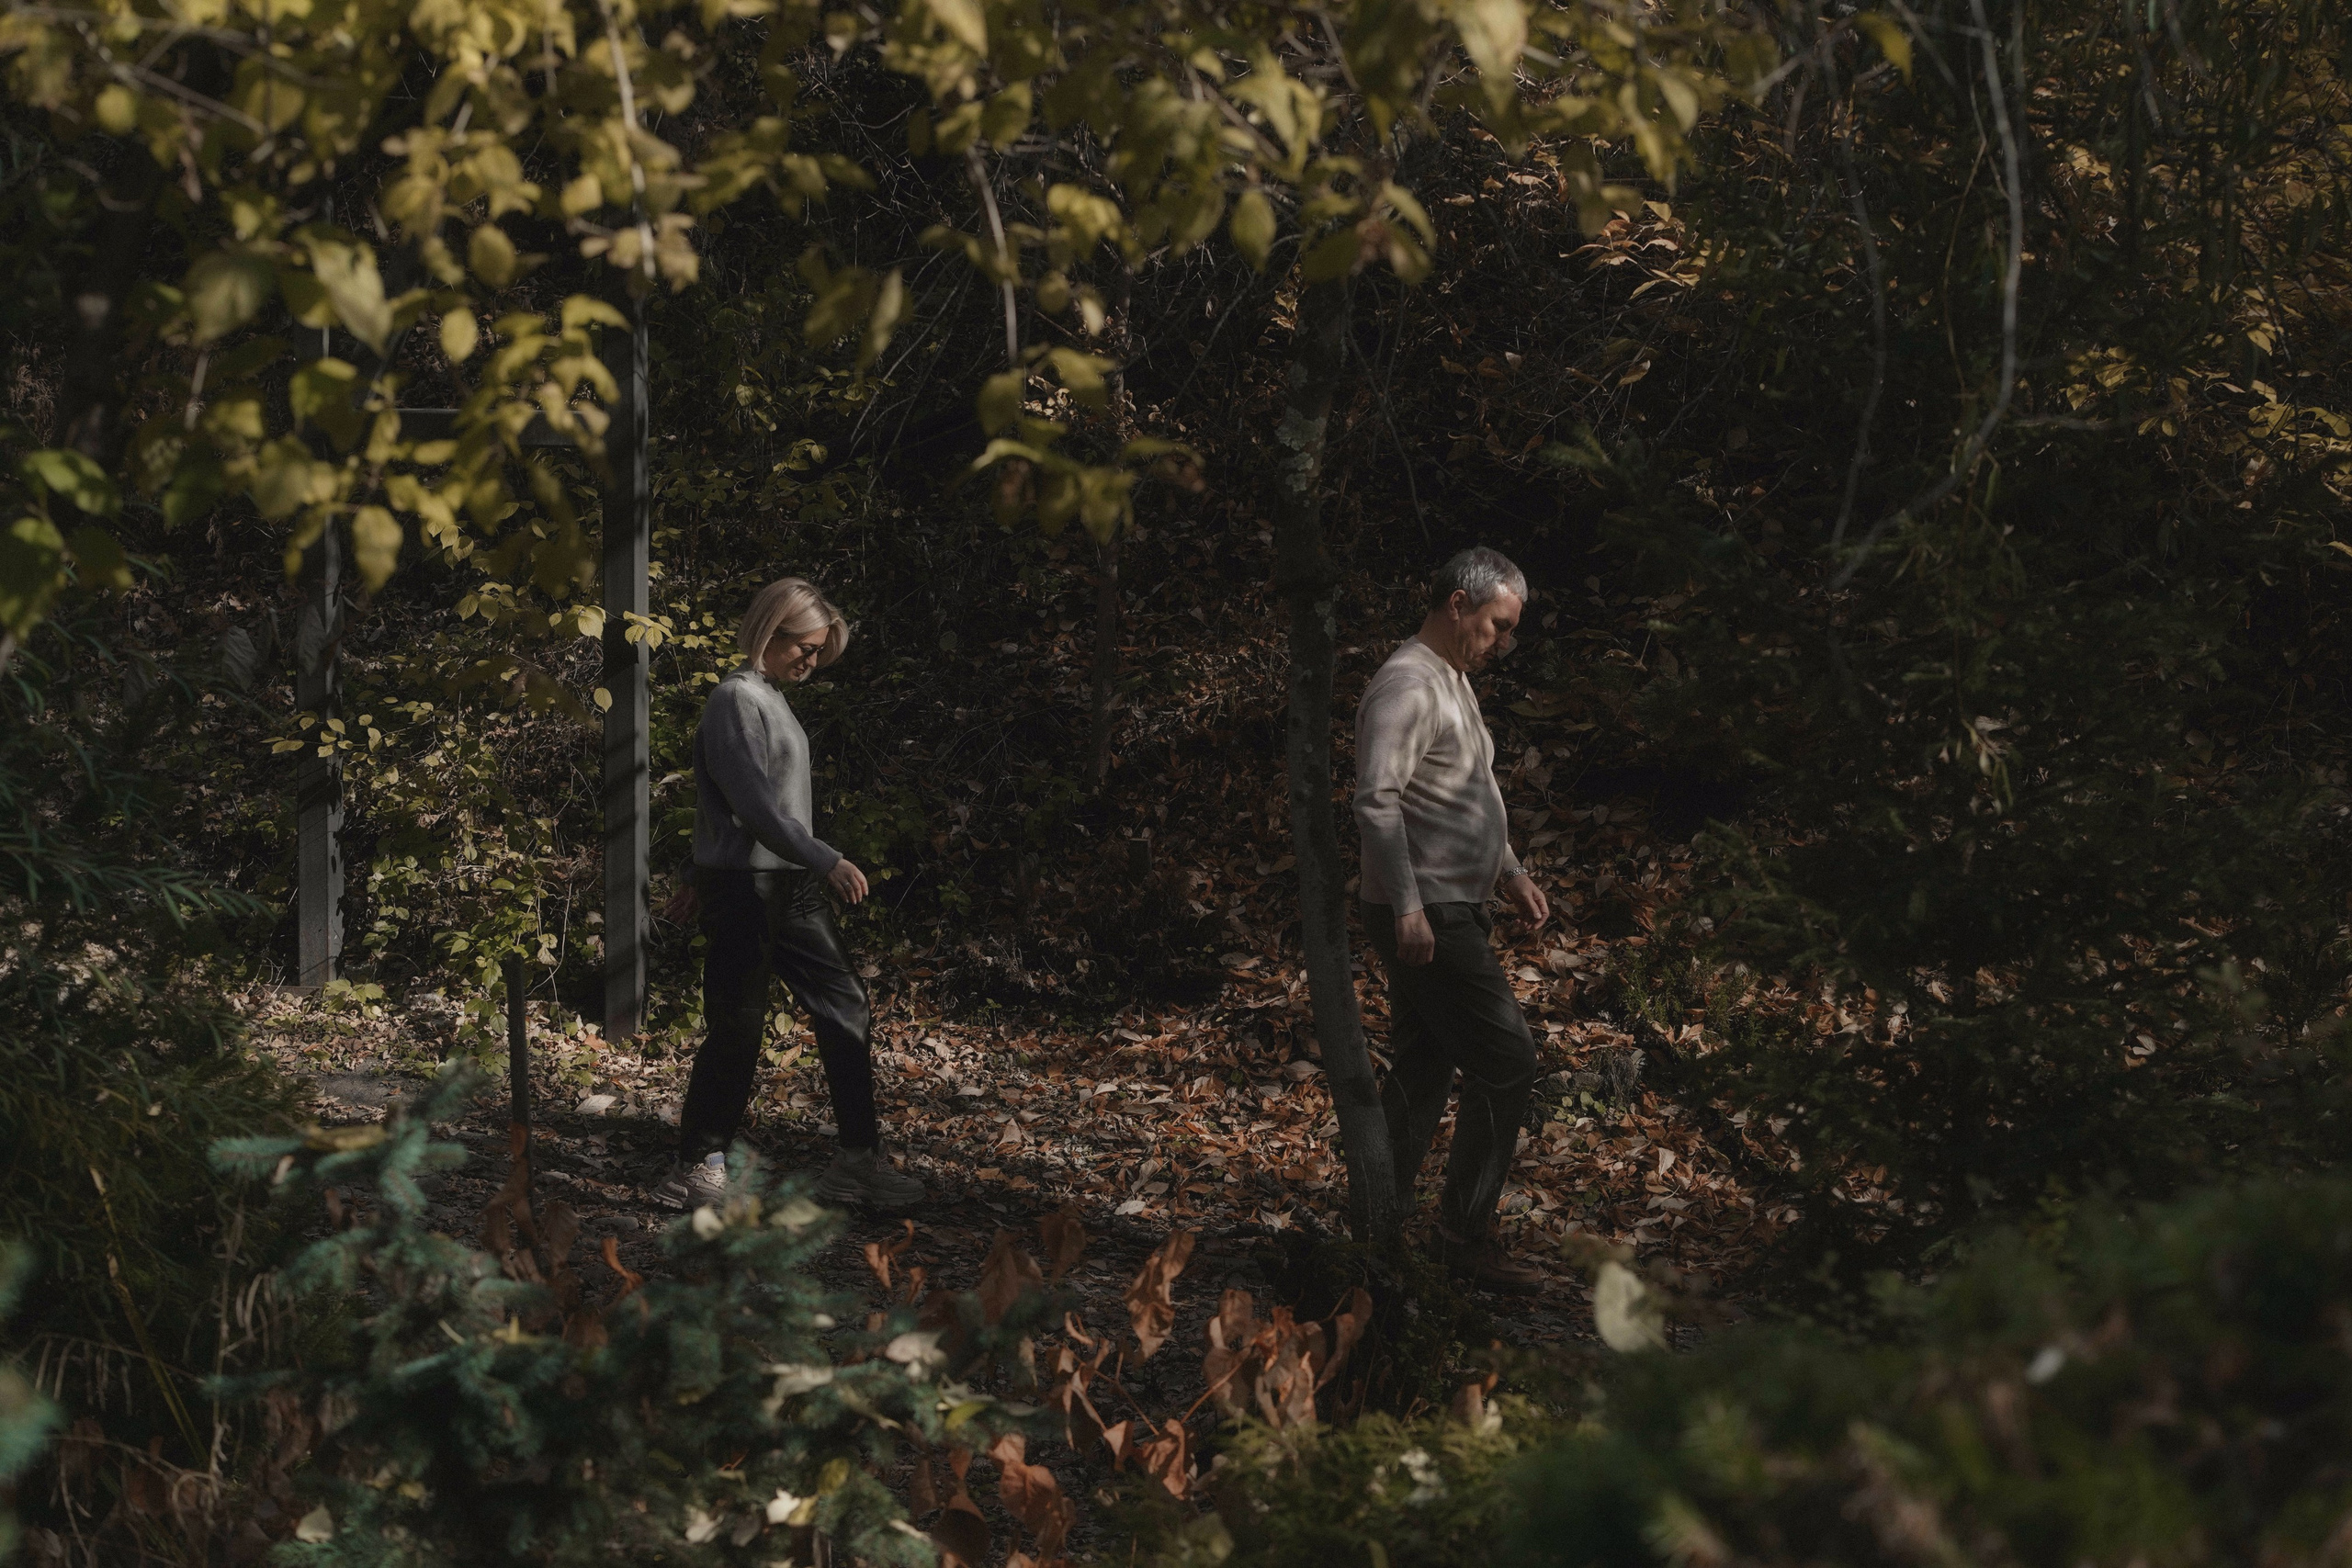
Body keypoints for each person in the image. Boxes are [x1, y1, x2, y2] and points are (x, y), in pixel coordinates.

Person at [651, 578, 925, 1214]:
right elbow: (748, 803)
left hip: (788, 885)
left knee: (845, 1002)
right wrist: (825, 858)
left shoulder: (772, 698)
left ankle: (857, 1162)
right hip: (749, 886)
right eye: (805, 648)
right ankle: (697, 1161)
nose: (812, 661)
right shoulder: (734, 699)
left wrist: (701, 872)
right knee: (739, 1024)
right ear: (769, 635)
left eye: (819, 651)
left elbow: (738, 801)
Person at [1354, 546, 1550, 1293]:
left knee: (1426, 1062)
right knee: (1507, 1060)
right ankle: (1460, 1234)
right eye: (1496, 625)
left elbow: (1465, 794)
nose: (1501, 642)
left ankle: (1379, 1224)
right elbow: (1377, 800)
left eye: (1510, 630)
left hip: (1453, 902)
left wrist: (1512, 871)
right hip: (1427, 909)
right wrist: (1406, 906)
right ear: (1458, 605)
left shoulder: (1452, 681)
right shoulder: (1406, 686)